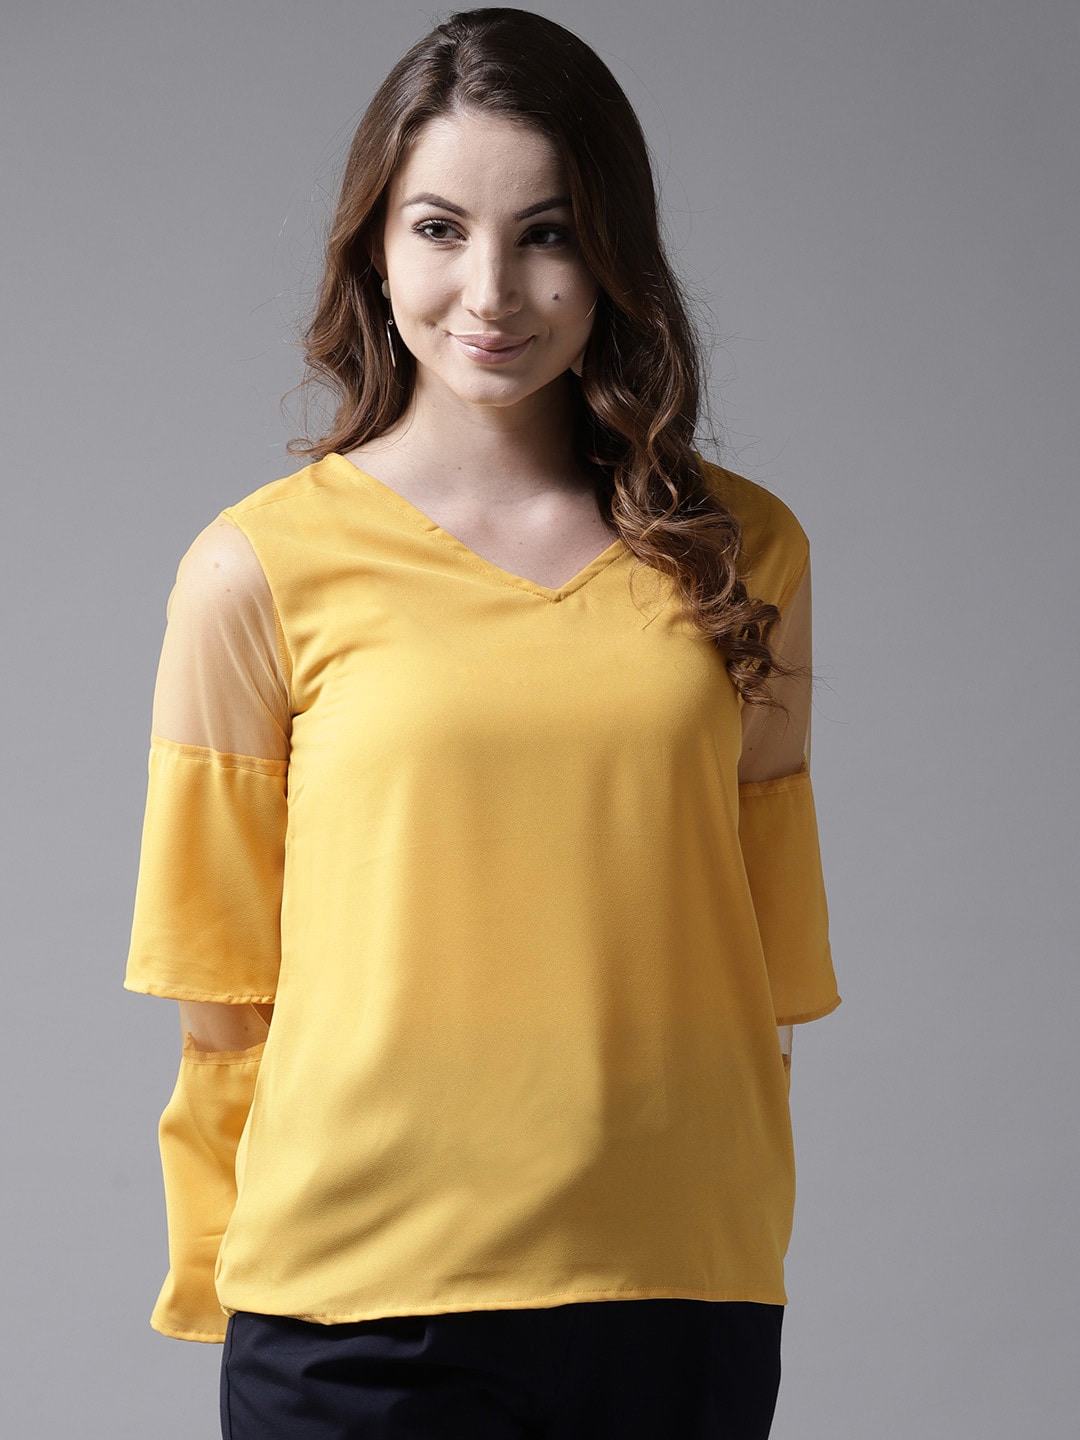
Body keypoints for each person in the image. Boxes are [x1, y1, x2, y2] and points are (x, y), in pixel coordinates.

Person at [124, 9, 840, 1438]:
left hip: (670, 1286)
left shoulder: (744, 552)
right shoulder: (253, 568)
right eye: (441, 229)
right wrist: (225, 1266)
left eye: (548, 233)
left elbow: (759, 949)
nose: (491, 290)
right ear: (374, 251)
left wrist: (721, 1230)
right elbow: (221, 993)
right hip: (357, 1302)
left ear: (614, 253)